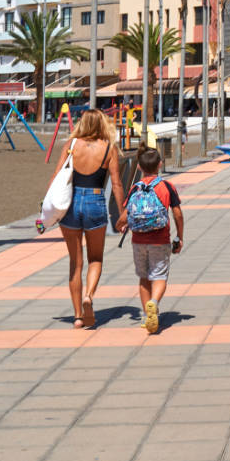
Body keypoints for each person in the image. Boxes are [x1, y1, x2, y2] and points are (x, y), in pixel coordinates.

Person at [56, 111, 126, 329]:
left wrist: (46, 209)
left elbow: (58, 176)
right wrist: (122, 212)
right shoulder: (108, 148)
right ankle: (89, 295)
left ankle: (77, 316)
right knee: (95, 258)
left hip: (71, 202)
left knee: (75, 263)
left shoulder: (71, 144)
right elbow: (116, 184)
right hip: (95, 202)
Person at [126, 145, 184, 334]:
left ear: (140, 167)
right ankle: (154, 302)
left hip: (138, 240)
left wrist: (121, 225)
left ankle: (145, 317)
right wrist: (179, 236)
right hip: (160, 239)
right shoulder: (166, 187)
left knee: (144, 278)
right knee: (159, 276)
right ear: (160, 165)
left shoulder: (135, 187)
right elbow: (177, 213)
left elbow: (126, 212)